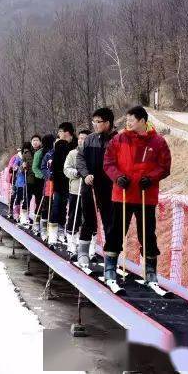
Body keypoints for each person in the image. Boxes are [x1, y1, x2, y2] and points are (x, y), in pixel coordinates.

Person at [103, 106, 172, 287]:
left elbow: (164, 167)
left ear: (142, 121)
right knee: (116, 231)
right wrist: (118, 177)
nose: (128, 123)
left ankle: (150, 269)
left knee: (148, 233)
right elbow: (108, 163)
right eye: (127, 120)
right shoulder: (118, 140)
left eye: (131, 120)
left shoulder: (158, 142)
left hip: (145, 195)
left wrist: (151, 178)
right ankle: (110, 265)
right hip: (122, 194)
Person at [76, 107, 118, 268]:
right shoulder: (89, 139)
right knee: (88, 219)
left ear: (108, 123)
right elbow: (80, 158)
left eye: (98, 122)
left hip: (109, 186)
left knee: (110, 222)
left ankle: (110, 258)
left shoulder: (117, 140)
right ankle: (83, 252)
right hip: (90, 185)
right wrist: (85, 174)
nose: (95, 125)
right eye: (93, 121)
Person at [47, 122, 77, 246]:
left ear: (66, 132)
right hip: (60, 181)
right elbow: (55, 163)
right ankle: (53, 234)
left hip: (73, 181)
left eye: (60, 131)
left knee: (69, 209)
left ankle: (64, 232)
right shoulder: (59, 145)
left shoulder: (75, 145)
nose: (58, 134)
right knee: (57, 206)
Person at [63, 129, 90, 253]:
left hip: (89, 190)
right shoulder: (72, 153)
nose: (81, 140)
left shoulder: (93, 153)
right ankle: (71, 244)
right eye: (79, 138)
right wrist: (76, 173)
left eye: (84, 138)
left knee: (88, 218)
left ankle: (87, 247)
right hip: (75, 189)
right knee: (74, 216)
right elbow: (66, 168)